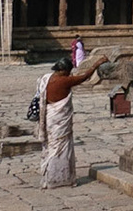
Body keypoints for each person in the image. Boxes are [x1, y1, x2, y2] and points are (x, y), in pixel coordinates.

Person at [36, 49, 108, 188]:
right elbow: (84, 77)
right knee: (61, 147)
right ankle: (59, 178)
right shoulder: (64, 81)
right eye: (68, 71)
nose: (69, 74)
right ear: (63, 70)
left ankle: (50, 177)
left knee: (52, 146)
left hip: (51, 117)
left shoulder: (46, 78)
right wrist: (97, 63)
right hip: (60, 118)